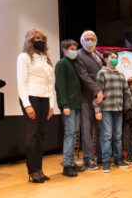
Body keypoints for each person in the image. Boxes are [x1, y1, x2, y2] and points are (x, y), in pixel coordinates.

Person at [17, 28, 54, 183]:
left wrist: (52, 104)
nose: (40, 40)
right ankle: (32, 171)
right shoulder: (24, 57)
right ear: (29, 40)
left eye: (42, 38)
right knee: (32, 135)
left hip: (45, 98)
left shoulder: (46, 58)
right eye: (36, 38)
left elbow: (51, 83)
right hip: (31, 97)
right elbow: (21, 82)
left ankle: (39, 169)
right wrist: (27, 104)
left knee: (41, 135)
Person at [94, 50, 131, 173]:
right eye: (112, 57)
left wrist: (130, 106)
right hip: (106, 109)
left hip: (118, 109)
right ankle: (105, 161)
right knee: (107, 136)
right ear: (105, 59)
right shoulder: (102, 73)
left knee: (117, 136)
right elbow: (97, 93)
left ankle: (118, 159)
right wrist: (97, 110)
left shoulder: (120, 74)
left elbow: (126, 92)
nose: (114, 59)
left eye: (116, 57)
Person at [55, 39, 86, 177]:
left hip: (76, 104)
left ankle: (72, 162)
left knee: (74, 134)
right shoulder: (61, 64)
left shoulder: (74, 64)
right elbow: (60, 86)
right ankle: (67, 165)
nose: (74, 51)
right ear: (64, 50)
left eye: (75, 48)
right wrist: (64, 105)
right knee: (69, 134)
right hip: (68, 106)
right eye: (71, 48)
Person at [74, 30, 104, 170]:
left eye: (92, 39)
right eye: (87, 39)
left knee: (100, 128)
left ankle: (100, 157)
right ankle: (88, 159)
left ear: (96, 41)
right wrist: (97, 90)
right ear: (82, 41)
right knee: (87, 130)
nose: (89, 41)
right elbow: (83, 76)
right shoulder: (79, 55)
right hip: (86, 97)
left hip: (100, 98)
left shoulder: (99, 55)